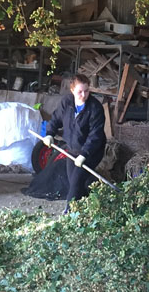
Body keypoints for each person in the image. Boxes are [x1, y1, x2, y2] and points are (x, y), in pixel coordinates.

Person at [43, 73, 106, 209]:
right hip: (72, 149)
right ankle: (88, 207)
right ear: (72, 91)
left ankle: (69, 212)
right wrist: (49, 134)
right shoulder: (67, 102)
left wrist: (84, 154)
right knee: (74, 182)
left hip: (92, 151)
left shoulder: (95, 108)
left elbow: (96, 135)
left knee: (77, 181)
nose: (83, 95)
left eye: (86, 91)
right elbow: (56, 119)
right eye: (79, 92)